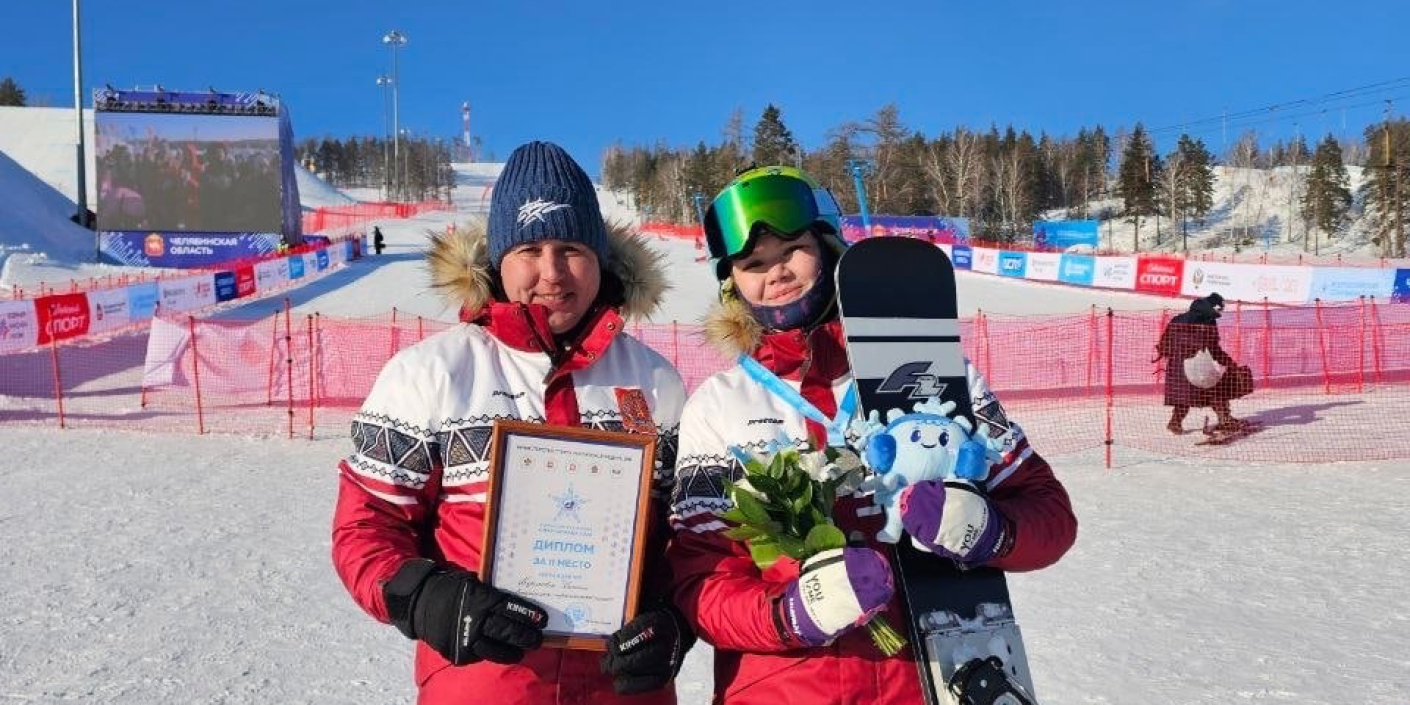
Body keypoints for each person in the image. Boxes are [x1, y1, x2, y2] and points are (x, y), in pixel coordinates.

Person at [666, 166, 1078, 704]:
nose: (777, 272)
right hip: (785, 690)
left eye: (792, 248)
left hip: (927, 677)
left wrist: (990, 529)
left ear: (828, 246)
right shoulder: (720, 405)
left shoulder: (928, 368)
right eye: (753, 264)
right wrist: (788, 613)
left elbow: (1051, 515)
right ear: (732, 284)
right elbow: (698, 577)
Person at [331, 141, 694, 705]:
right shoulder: (432, 374)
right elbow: (367, 528)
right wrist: (428, 598)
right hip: (483, 682)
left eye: (571, 247)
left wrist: (674, 621)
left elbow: (686, 541)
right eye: (529, 247)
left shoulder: (654, 381)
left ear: (601, 257)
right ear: (498, 259)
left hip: (622, 689)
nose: (551, 272)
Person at [1155, 292, 1251, 433]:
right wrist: (1228, 363)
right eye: (1219, 309)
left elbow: (1212, 347)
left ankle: (1222, 418)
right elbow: (1211, 348)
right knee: (1197, 393)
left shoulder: (1195, 320)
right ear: (1211, 308)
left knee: (1202, 391)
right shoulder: (1195, 322)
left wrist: (1229, 363)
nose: (1220, 312)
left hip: (1190, 364)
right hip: (1187, 365)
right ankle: (1178, 422)